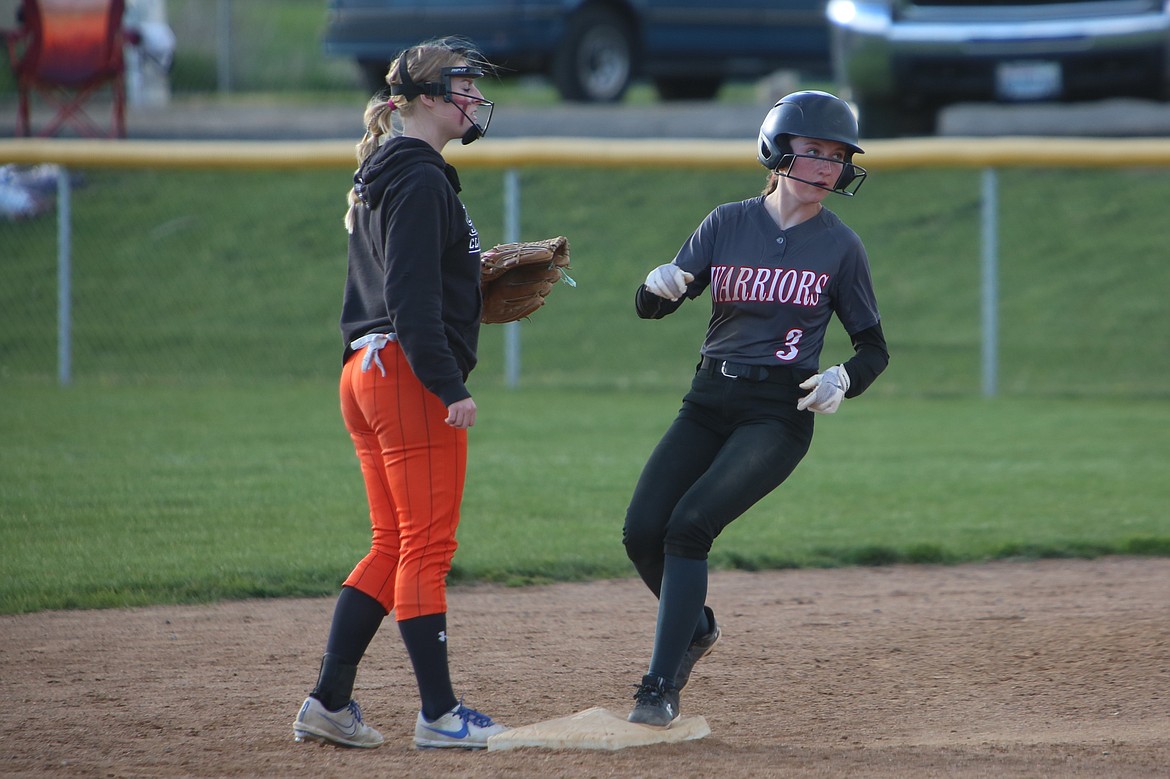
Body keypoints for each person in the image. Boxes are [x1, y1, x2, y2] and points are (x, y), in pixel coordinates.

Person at [621, 90, 889, 726]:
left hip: (779, 411)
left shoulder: (840, 246)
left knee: (688, 528)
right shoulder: (726, 223)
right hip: (709, 397)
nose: (828, 166)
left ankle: (658, 689)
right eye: (814, 151)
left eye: (838, 156)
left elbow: (873, 348)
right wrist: (654, 286)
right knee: (641, 534)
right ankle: (697, 627)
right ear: (777, 150)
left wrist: (842, 380)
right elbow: (656, 304)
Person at [292, 37, 508, 750]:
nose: (473, 96)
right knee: (426, 546)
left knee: (393, 542)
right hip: (408, 373)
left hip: (367, 369)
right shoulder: (419, 177)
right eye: (461, 84)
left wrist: (470, 281)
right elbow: (410, 298)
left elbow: (411, 285)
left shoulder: (397, 171)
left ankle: (328, 702)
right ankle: (441, 715)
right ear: (421, 99)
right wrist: (449, 383)